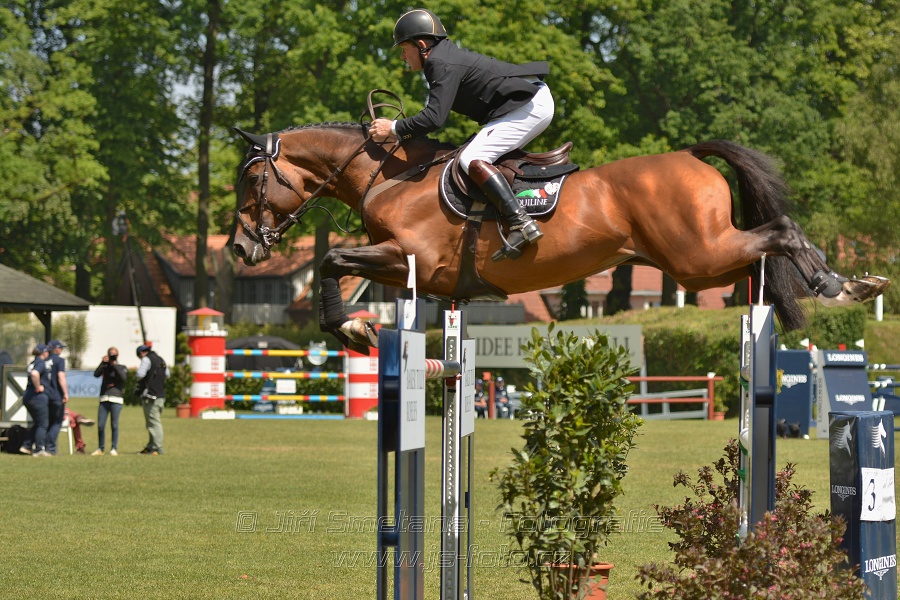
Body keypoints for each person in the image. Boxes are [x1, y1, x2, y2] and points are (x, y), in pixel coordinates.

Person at [370, 8, 555, 262]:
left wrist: (393, 128)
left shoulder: (440, 62)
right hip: (523, 103)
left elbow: (434, 118)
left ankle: (520, 223)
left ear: (421, 45)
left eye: (404, 48)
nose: (402, 56)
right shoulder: (441, 59)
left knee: (471, 159)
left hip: (529, 105)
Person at [92, 347, 127, 456]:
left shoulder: (121, 366)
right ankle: (100, 448)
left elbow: (123, 378)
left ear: (117, 355)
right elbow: (96, 374)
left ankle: (113, 448)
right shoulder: (105, 366)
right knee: (101, 425)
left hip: (116, 399)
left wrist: (114, 364)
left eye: (114, 355)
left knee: (114, 425)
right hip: (104, 398)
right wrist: (102, 363)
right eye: (110, 354)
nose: (112, 356)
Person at [136, 344, 168, 455]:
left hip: (150, 396)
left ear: (141, 353)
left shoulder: (146, 359)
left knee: (154, 423)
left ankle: (157, 448)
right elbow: (167, 374)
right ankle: (150, 446)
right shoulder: (161, 359)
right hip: (161, 396)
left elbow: (140, 374)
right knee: (152, 422)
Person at [22, 344, 53, 456]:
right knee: (43, 424)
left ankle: (27, 445)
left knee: (38, 422)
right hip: (37, 398)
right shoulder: (40, 362)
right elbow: (35, 374)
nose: (48, 353)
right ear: (43, 352)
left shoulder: (33, 362)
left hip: (28, 397)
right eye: (47, 351)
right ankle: (39, 449)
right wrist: (38, 387)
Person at [44, 339, 68, 455]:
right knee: (57, 422)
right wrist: (65, 393)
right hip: (56, 395)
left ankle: (42, 447)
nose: (62, 350)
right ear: (56, 349)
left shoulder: (44, 360)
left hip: (44, 396)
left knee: (47, 422)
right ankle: (51, 448)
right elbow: (61, 377)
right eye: (61, 348)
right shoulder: (59, 361)